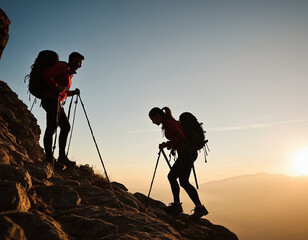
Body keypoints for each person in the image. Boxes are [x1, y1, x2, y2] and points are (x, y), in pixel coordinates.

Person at [149, 107, 208, 219]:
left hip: (187, 154)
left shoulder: (169, 123)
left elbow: (181, 137)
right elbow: (180, 138)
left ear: (158, 115)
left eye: (153, 119)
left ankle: (187, 207)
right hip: (188, 153)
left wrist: (165, 144)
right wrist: (169, 144)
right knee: (178, 179)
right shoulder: (170, 123)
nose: (153, 122)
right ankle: (191, 207)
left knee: (178, 179)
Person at [41, 52, 84, 167]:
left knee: (65, 126)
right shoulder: (63, 67)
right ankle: (49, 158)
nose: (80, 65)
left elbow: (62, 91)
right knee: (52, 127)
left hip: (56, 101)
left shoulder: (69, 74)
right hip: (50, 99)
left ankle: (61, 157)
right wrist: (55, 86)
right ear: (73, 59)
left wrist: (73, 93)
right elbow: (46, 75)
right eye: (79, 62)